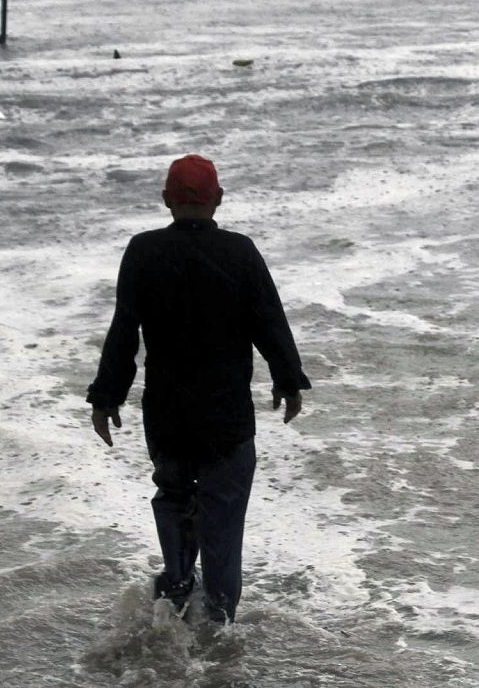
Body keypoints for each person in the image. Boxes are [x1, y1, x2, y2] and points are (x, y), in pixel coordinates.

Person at [86, 153, 311, 624]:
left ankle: (174, 591)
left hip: (167, 416)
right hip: (226, 417)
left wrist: (107, 397)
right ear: (219, 199)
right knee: (223, 521)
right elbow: (269, 322)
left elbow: (124, 331)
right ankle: (219, 624)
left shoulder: (143, 251)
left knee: (173, 500)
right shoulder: (240, 252)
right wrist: (288, 380)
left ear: (166, 199)